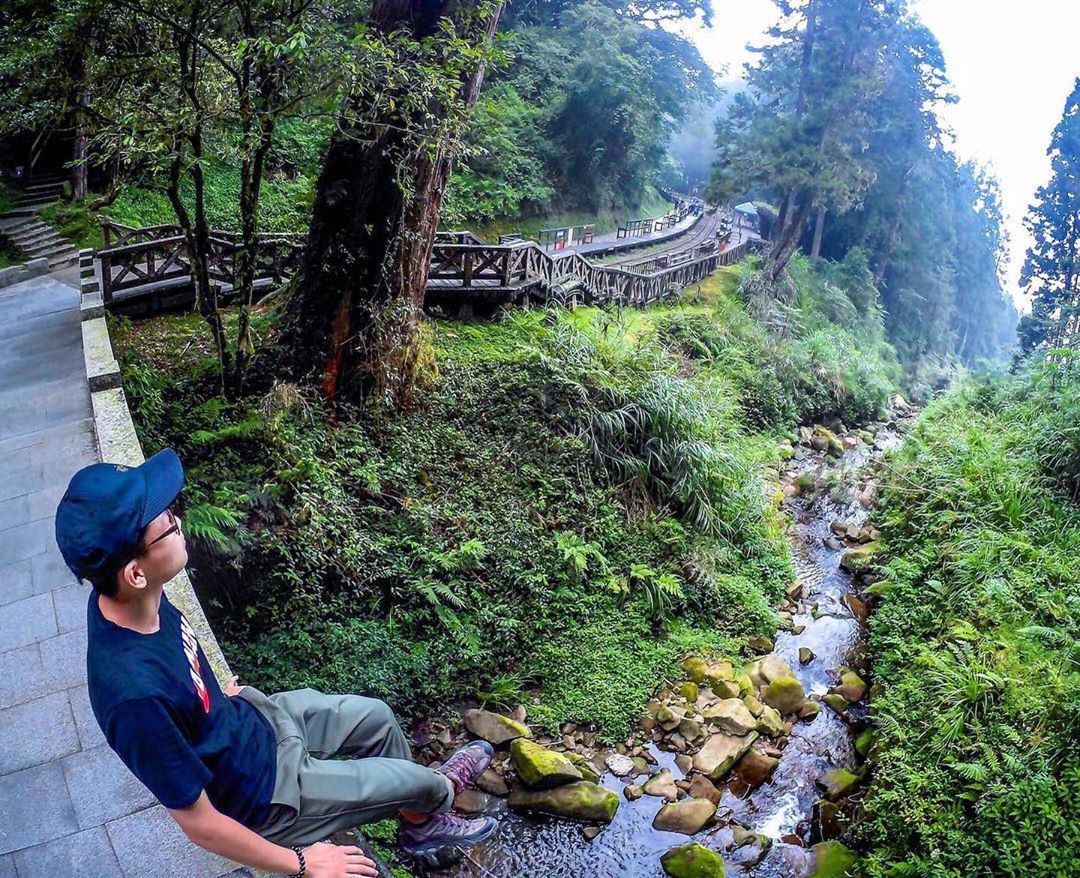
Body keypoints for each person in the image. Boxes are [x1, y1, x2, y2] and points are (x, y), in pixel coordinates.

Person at [55, 448, 499, 878]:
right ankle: (433, 797)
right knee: (420, 783)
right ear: (134, 572)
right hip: (267, 795)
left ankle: (419, 826)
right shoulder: (131, 698)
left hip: (254, 721)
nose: (177, 520)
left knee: (377, 718)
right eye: (165, 523)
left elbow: (178, 665)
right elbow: (199, 825)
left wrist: (209, 693)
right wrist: (303, 864)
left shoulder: (138, 597)